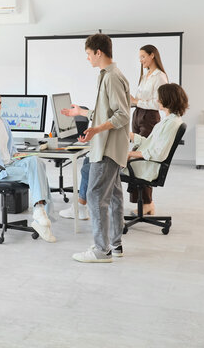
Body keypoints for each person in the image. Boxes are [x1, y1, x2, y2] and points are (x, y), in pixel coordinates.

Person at [61, 33, 130, 263]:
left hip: (107, 148)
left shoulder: (111, 77)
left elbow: (121, 115)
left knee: (95, 195)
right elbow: (105, 112)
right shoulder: (107, 75)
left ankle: (102, 250)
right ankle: (115, 244)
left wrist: (96, 130)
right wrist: (80, 112)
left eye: (89, 54)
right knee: (114, 196)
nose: (88, 59)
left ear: (98, 52)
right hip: (110, 146)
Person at [0, 91, 56, 243]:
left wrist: (19, 155)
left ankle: (40, 213)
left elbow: (10, 149)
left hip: (10, 163)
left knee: (37, 162)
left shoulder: (2, 121)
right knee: (37, 172)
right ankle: (41, 213)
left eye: (0, 103)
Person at [124, 83, 188, 202]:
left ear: (168, 100)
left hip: (148, 166)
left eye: (160, 98)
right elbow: (150, 143)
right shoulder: (170, 120)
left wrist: (130, 154)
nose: (157, 100)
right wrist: (131, 135)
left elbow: (158, 153)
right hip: (146, 162)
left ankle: (110, 212)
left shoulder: (171, 123)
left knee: (106, 166)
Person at [129, 44, 168, 214]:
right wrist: (132, 101)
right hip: (138, 116)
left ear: (152, 55)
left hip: (149, 118)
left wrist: (138, 102)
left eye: (143, 57)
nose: (141, 60)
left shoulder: (160, 77)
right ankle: (144, 202)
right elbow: (141, 99)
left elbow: (158, 103)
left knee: (142, 160)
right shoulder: (146, 75)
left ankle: (147, 203)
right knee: (136, 158)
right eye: (139, 58)